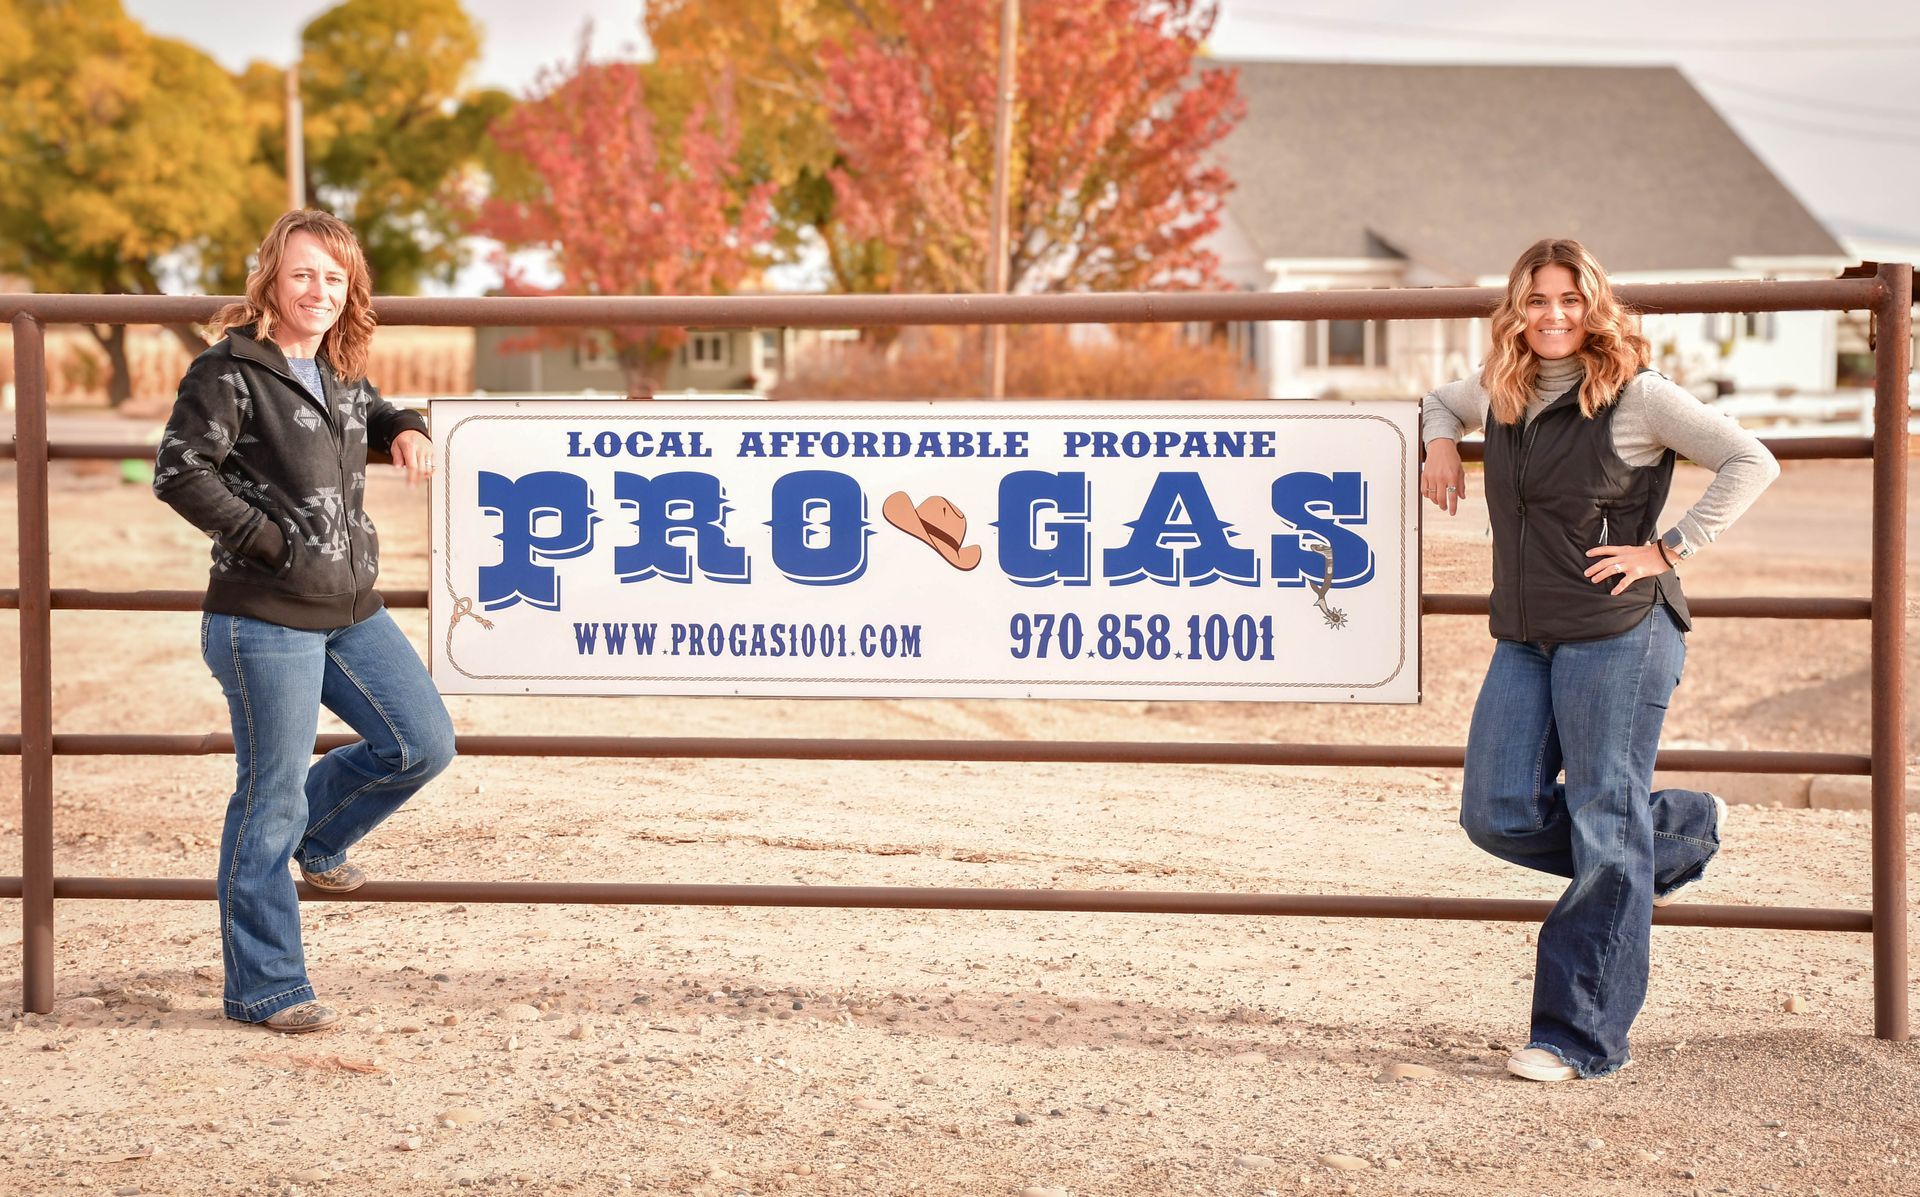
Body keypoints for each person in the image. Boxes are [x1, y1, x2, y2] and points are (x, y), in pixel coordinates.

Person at [1421, 238, 1777, 1082]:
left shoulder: (1636, 395)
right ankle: (1677, 832)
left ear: (1594, 307)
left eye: (1570, 300)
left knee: (1605, 819)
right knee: (1496, 810)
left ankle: (1577, 1037)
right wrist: (1440, 440)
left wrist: (1670, 547)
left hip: (1619, 628)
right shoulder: (1502, 391)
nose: (1552, 315)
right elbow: (1440, 401)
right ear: (1516, 308)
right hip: (1527, 635)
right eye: (1537, 299)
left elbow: (1749, 460)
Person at [154, 210, 456, 1034]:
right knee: (269, 790)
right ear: (270, 281)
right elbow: (180, 471)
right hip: (265, 618)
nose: (318, 290)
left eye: (334, 276)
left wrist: (409, 428)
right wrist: (268, 540)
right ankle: (266, 986)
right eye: (302, 274)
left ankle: (317, 841)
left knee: (421, 742)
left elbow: (374, 414)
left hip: (351, 610)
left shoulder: (339, 370)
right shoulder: (229, 370)